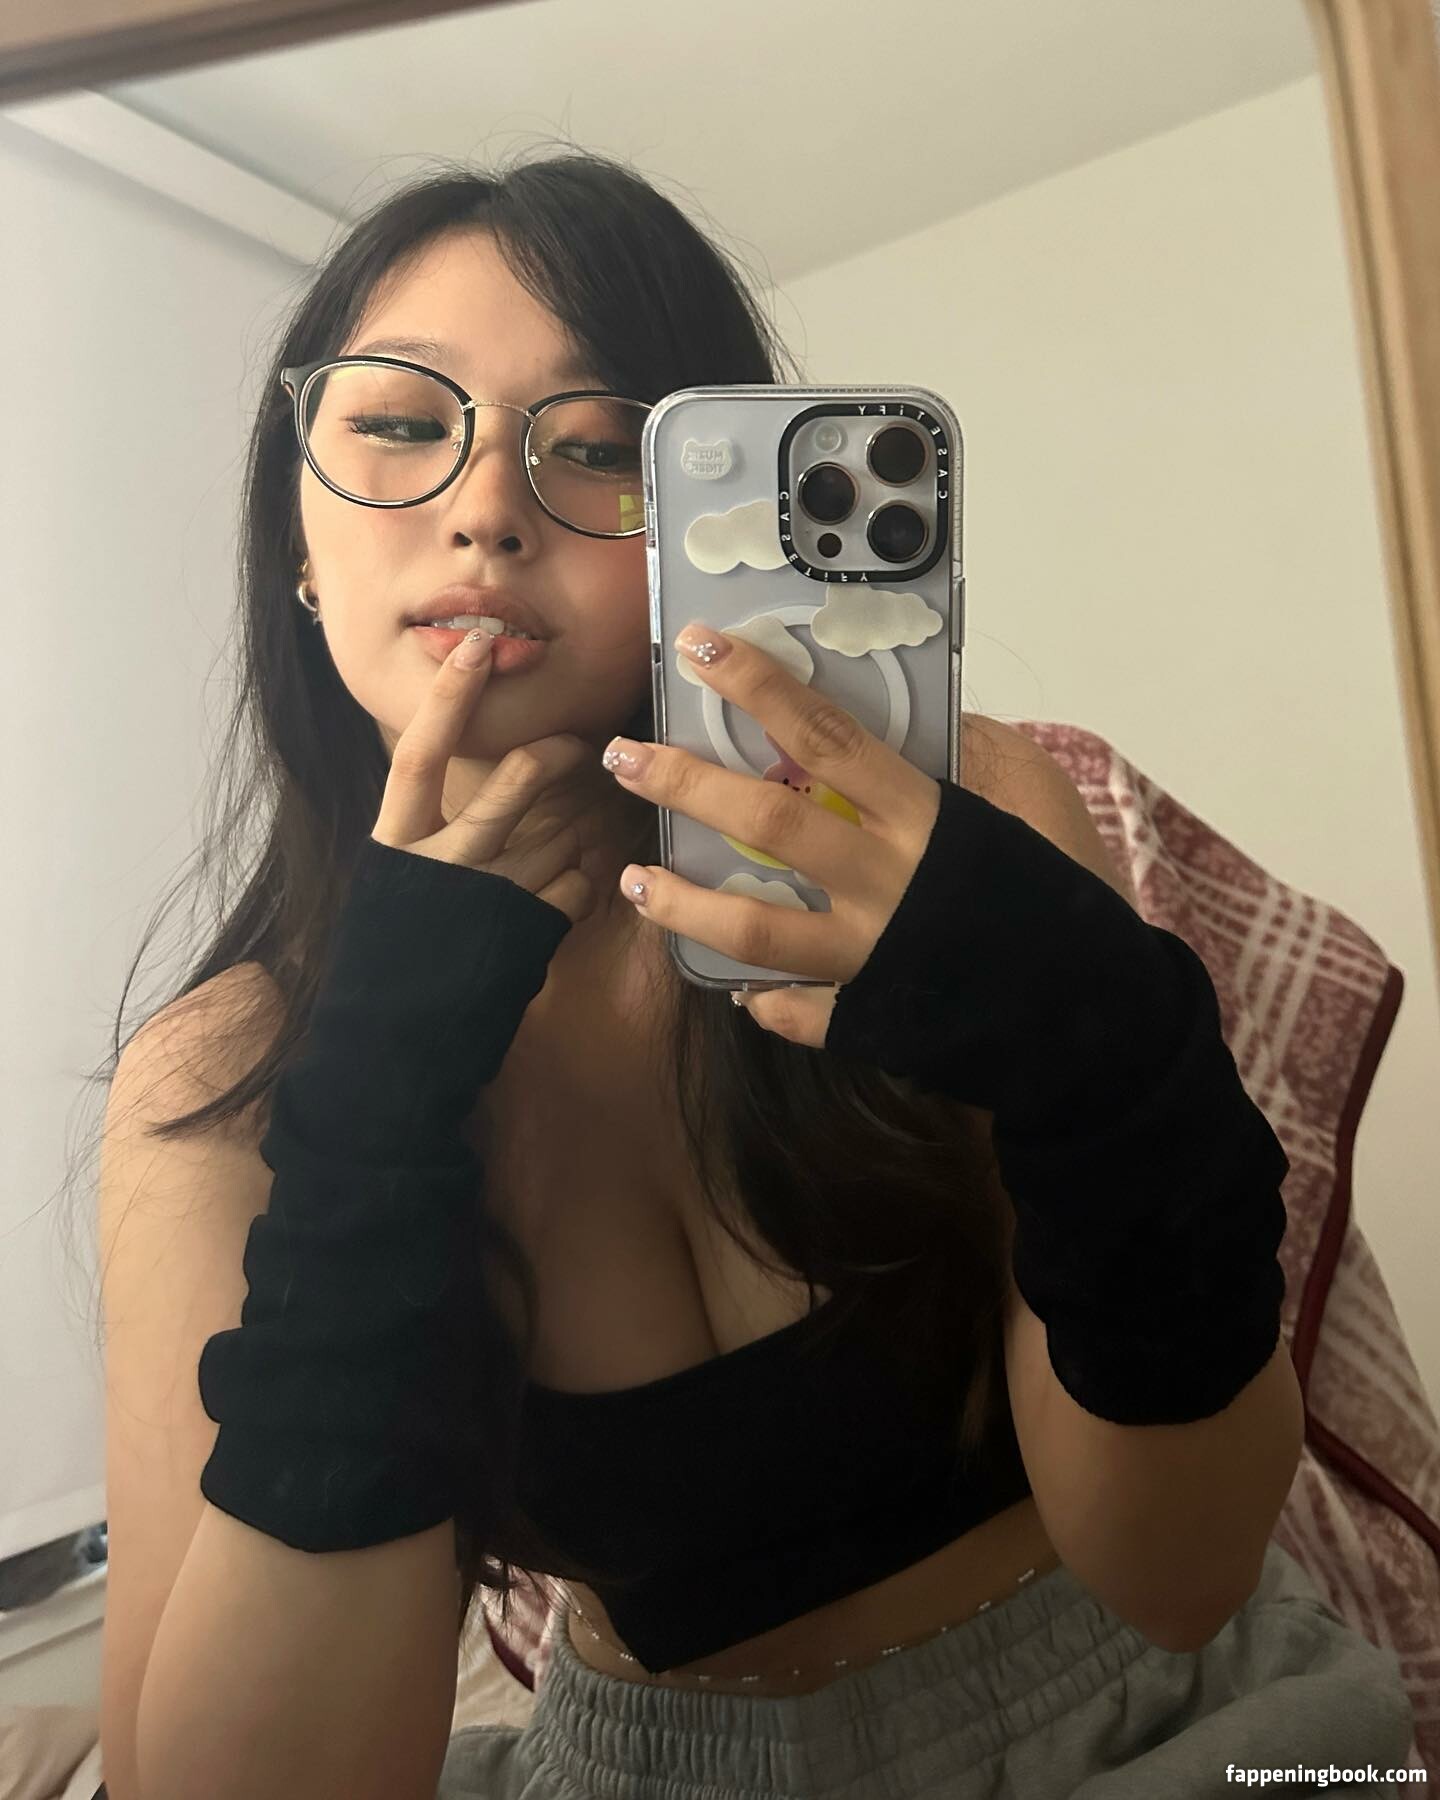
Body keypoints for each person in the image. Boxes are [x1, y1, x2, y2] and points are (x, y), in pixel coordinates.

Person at [96, 147, 1416, 1800]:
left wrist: (1100, 1060)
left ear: (700, 534)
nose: (488, 506)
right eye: (402, 425)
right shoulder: (228, 1076)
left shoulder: (968, 823)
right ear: (297, 543)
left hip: (1156, 1718)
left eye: (598, 447)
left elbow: (1185, 1571)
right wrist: (375, 1095)